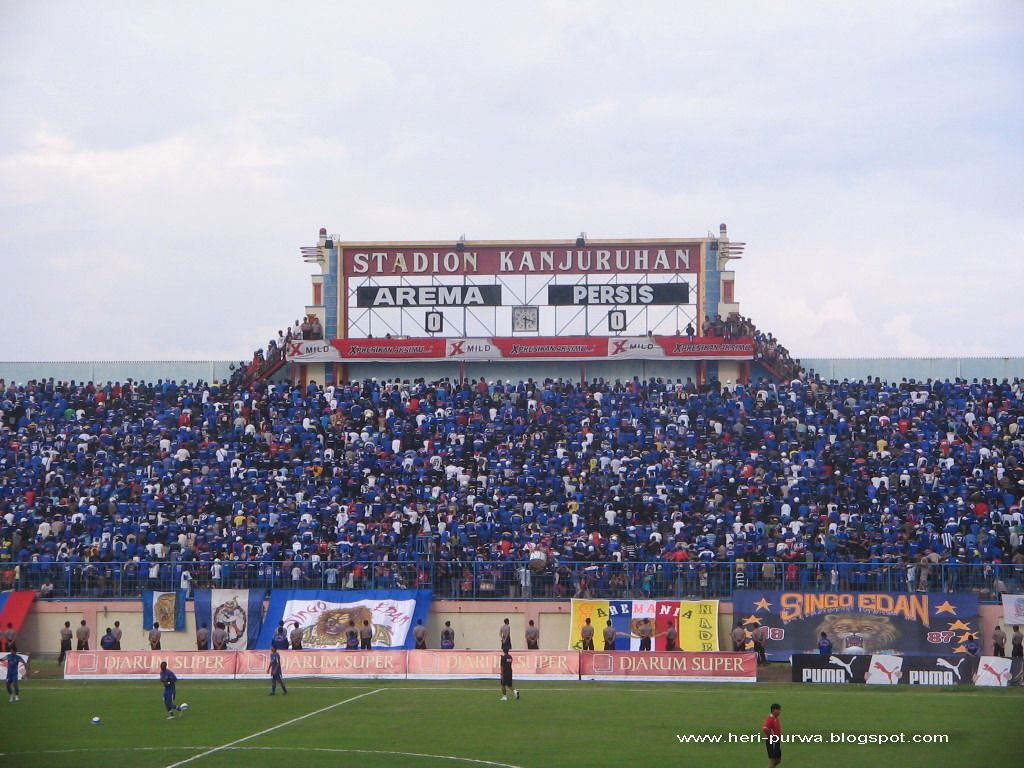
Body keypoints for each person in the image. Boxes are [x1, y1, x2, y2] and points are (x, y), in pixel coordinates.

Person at [762, 703, 782, 767]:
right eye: (778, 710)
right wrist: (772, 737)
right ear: (773, 710)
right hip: (772, 742)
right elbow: (765, 728)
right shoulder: (770, 719)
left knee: (778, 760)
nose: (779, 711)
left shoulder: (776, 718)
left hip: (776, 742)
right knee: (773, 760)